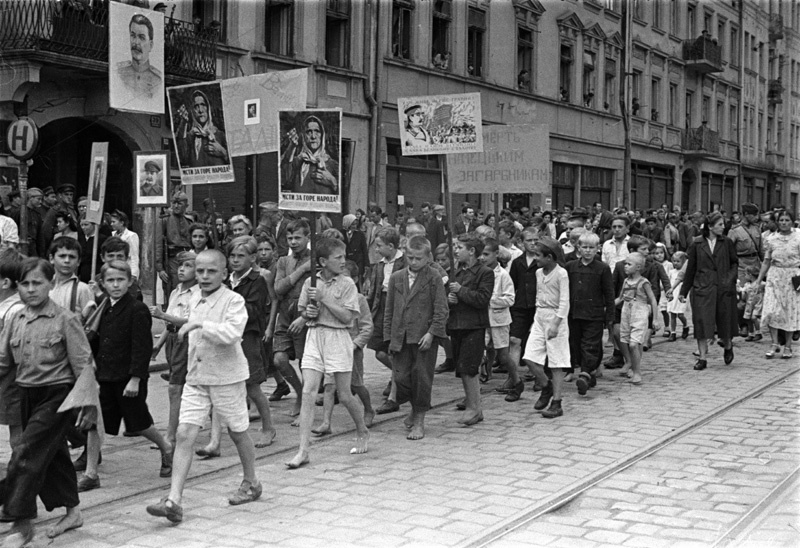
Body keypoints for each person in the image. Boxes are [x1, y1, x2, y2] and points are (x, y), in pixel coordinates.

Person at [146, 250, 262, 523]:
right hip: (196, 377)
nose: (205, 277)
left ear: (224, 274)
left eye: (212, 271)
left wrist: (199, 323)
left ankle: (252, 481)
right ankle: (174, 500)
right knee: (185, 433)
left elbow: (233, 333)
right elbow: (177, 321)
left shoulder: (234, 300)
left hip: (226, 377)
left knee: (237, 432)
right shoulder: (193, 297)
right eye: (200, 272)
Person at [0, 258, 94, 544]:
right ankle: (73, 512)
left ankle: (22, 524)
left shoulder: (66, 319)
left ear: (51, 284)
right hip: (26, 394)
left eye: (37, 283)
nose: (30, 289)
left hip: (57, 396)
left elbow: (84, 364)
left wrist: (89, 406)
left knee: (25, 452)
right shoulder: (15, 318)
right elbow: (4, 361)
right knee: (54, 457)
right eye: (25, 284)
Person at [78, 260, 172, 493]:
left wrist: (136, 378)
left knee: (139, 424)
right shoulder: (103, 307)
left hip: (127, 377)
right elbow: (98, 340)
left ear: (130, 282)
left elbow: (142, 347)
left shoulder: (137, 309)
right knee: (94, 423)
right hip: (104, 376)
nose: (116, 285)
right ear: (102, 283)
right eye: (110, 280)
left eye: (120, 280)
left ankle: (166, 446)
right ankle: (91, 473)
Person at [286, 238, 369, 469]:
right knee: (309, 391)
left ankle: (362, 429)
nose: (344, 261)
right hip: (315, 336)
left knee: (344, 394)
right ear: (323, 261)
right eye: (338, 257)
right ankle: (303, 450)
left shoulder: (347, 284)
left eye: (344, 257)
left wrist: (324, 300)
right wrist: (308, 312)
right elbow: (304, 310)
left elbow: (348, 317)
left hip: (338, 337)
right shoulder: (310, 283)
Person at [197, 236, 276, 456]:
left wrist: (229, 303)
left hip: (248, 337)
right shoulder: (226, 280)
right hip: (224, 337)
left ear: (253, 258)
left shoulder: (257, 280)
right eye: (232, 256)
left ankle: (268, 427)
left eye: (241, 256)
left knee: (252, 387)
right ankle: (215, 441)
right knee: (217, 385)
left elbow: (254, 311)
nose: (235, 260)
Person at [383, 236, 448, 439]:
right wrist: (388, 338)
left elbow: (441, 310)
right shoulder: (396, 277)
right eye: (410, 257)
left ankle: (419, 421)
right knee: (401, 378)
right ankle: (413, 409)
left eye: (418, 258)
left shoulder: (434, 277)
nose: (413, 262)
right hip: (400, 337)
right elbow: (389, 310)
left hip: (423, 339)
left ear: (428, 257)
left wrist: (431, 333)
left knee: (421, 379)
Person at [312, 260, 375, 435]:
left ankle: (369, 409)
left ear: (354, 280)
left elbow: (367, 327)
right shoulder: (331, 297)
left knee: (355, 385)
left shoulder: (359, 299)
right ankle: (326, 422)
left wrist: (355, 344)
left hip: (351, 349)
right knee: (330, 385)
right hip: (332, 346)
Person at [679, 211, 738, 370]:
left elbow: (734, 263)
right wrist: (683, 291)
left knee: (724, 319)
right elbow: (690, 269)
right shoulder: (697, 244)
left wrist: (729, 279)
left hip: (723, 287)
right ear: (710, 227)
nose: (723, 227)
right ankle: (703, 358)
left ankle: (727, 345)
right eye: (720, 224)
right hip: (702, 287)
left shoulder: (726, 243)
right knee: (701, 322)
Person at [150, 251, 197, 449]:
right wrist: (157, 346)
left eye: (187, 266)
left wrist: (162, 316)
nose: (181, 269)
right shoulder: (176, 291)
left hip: (186, 339)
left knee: (175, 388)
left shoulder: (197, 293)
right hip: (172, 341)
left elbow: (190, 321)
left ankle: (170, 435)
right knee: (184, 387)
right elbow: (169, 324)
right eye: (180, 265)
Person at [447, 234, 494, 425]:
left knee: (469, 368)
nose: (456, 251)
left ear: (472, 251)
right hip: (457, 324)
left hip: (474, 325)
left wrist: (461, 291)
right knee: (462, 368)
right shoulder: (456, 272)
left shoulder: (485, 273)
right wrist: (450, 300)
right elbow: (449, 295)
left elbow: (482, 299)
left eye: (459, 247)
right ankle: (471, 404)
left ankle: (474, 407)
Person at [522, 239, 570, 418]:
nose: (535, 259)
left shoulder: (561, 274)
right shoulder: (538, 273)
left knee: (557, 361)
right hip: (540, 316)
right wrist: (537, 321)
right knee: (529, 357)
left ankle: (557, 402)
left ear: (549, 257)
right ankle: (546, 386)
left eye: (538, 255)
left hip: (555, 317)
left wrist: (556, 324)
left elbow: (565, 302)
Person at [273, 219, 312, 419]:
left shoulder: (315, 260)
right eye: (289, 238)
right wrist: (302, 271)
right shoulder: (283, 261)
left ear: (308, 237)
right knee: (279, 359)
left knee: (306, 361)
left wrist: (305, 317)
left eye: (298, 237)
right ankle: (298, 391)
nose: (293, 242)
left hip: (305, 313)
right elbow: (278, 289)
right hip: (285, 313)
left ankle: (305, 401)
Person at [566, 232, 614, 395]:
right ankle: (590, 372)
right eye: (584, 247)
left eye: (591, 248)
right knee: (577, 344)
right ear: (578, 248)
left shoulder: (602, 268)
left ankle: (585, 374)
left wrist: (610, 317)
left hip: (594, 314)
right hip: (574, 313)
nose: (587, 251)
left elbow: (609, 293)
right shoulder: (571, 267)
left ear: (597, 249)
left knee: (591, 344)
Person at [366, 227, 405, 414]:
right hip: (381, 309)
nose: (376, 249)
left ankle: (394, 396)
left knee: (395, 351)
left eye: (379, 246)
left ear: (391, 246)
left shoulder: (405, 261)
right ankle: (399, 376)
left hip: (398, 310)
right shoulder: (379, 264)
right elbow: (373, 290)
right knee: (379, 352)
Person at [756, 209, 800, 359]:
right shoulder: (771, 239)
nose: (784, 223)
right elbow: (766, 261)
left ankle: (788, 345)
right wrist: (758, 280)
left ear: (792, 221)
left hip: (792, 277)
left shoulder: (798, 236)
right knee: (771, 310)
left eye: (787, 220)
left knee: (789, 311)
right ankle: (774, 343)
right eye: (781, 220)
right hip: (775, 277)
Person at [479, 238, 519, 401]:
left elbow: (510, 299)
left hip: (499, 319)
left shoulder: (503, 275)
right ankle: (483, 376)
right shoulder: (480, 272)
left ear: (496, 254)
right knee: (481, 349)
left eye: (487, 254)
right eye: (481, 254)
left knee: (502, 354)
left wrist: (489, 300)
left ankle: (516, 380)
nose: (483, 257)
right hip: (482, 318)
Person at [615, 253, 661, 385]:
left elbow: (652, 299)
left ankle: (637, 372)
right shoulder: (626, 281)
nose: (625, 266)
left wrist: (655, 319)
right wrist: (607, 306)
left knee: (634, 343)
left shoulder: (643, 282)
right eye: (625, 264)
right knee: (630, 341)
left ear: (638, 267)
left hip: (639, 312)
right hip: (626, 312)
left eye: (629, 264)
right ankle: (633, 367)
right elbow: (621, 298)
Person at [0, 249, 24, 451]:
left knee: (18, 430)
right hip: (5, 376)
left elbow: (7, 351)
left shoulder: (13, 310)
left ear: (5, 283)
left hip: (11, 378)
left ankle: (22, 470)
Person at [281, 115, 339, 195]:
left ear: (322, 135)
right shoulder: (296, 162)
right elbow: (284, 182)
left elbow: (344, 198)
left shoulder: (333, 165)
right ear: (304, 136)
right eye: (309, 132)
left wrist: (332, 182)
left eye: (317, 131)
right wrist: (292, 147)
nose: (313, 136)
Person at [157, 192, 193, 307]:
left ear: (186, 205)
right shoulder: (165, 220)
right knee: (173, 290)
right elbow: (158, 244)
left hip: (188, 259)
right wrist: (160, 268)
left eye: (180, 203)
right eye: (174, 203)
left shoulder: (189, 221)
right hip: (171, 260)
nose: (176, 206)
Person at [176, 90, 229, 167]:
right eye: (196, 106)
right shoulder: (190, 137)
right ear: (192, 111)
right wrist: (183, 122)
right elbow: (182, 158)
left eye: (203, 105)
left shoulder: (220, 135)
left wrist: (223, 152)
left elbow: (235, 164)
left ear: (208, 108)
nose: (200, 110)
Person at [115, 14, 163, 100]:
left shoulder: (158, 81)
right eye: (133, 36)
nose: (136, 42)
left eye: (142, 37)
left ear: (150, 45)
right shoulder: (119, 73)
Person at [109, 210, 140, 283]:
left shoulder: (131, 236)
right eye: (111, 222)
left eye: (114, 222)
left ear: (122, 223)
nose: (111, 224)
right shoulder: (112, 235)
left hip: (127, 268)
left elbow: (134, 256)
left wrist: (134, 274)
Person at [666, 251, 689, 341]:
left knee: (680, 314)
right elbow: (668, 282)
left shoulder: (685, 273)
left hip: (680, 295)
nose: (675, 263)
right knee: (672, 314)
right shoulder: (671, 272)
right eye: (674, 261)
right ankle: (673, 332)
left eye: (678, 261)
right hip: (673, 295)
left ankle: (685, 325)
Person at [739, 265, 764, 342]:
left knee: (754, 317)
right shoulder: (747, 285)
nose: (745, 276)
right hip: (749, 305)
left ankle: (758, 332)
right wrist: (742, 292)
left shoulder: (760, 283)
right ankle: (751, 333)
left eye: (746, 274)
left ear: (750, 275)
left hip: (757, 304)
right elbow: (743, 296)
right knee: (748, 319)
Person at [342, 213, 368, 284]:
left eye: (355, 224)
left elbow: (364, 250)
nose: (354, 226)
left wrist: (366, 265)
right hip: (346, 262)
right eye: (352, 224)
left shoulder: (360, 234)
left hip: (358, 262)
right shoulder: (341, 233)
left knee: (358, 282)